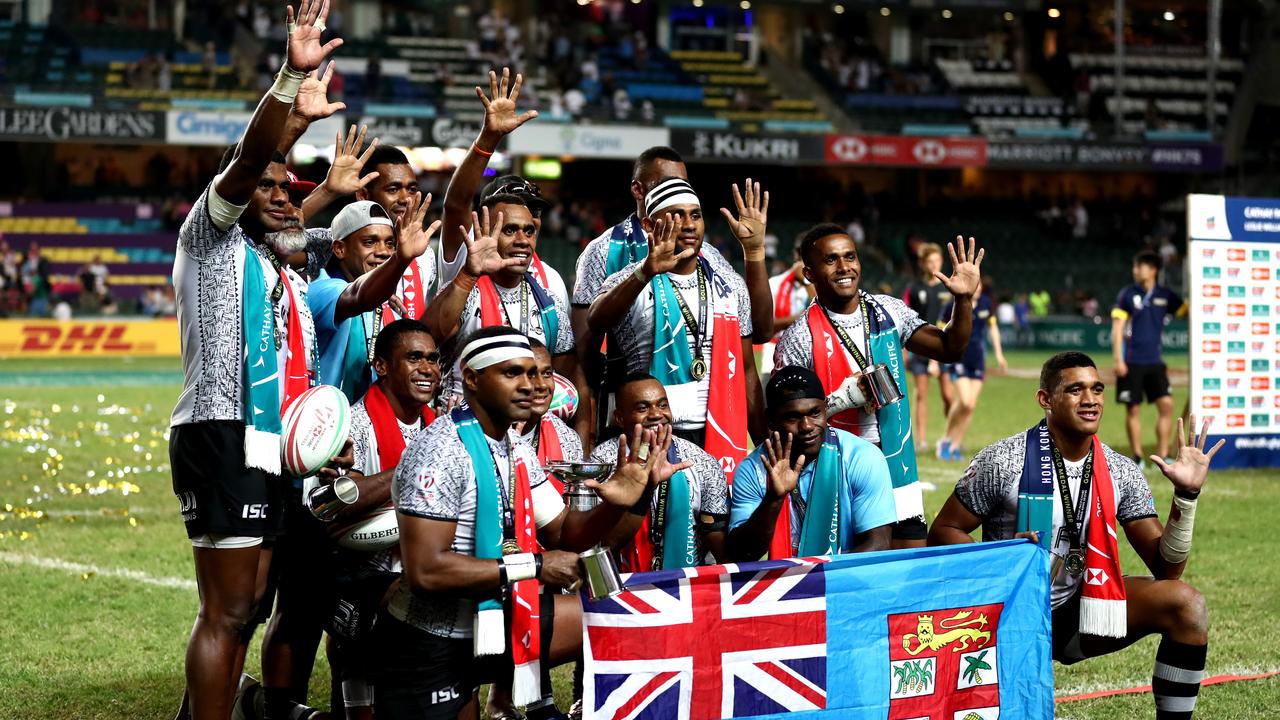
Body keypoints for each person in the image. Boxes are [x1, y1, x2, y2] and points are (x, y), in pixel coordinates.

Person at [166, 4, 345, 719]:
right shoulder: (208, 240)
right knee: (231, 610)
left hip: (266, 443)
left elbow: (328, 234)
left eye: (289, 188)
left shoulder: (275, 267)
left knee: (254, 602)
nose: (282, 196)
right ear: (235, 195)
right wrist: (287, 82)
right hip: (221, 430)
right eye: (268, 187)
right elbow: (245, 164)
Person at [373, 327, 684, 720]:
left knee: (627, 614)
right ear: (471, 378)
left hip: (493, 621)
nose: (532, 386)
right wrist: (536, 566)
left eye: (537, 373)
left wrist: (624, 498)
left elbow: (563, 532)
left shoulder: (513, 445)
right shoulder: (439, 451)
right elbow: (426, 572)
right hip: (429, 639)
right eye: (512, 373)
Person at [929, 351, 1222, 720]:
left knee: (1187, 606)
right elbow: (942, 530)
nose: (1091, 400)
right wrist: (1005, 561)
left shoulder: (1120, 470)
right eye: (1075, 390)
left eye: (1097, 389)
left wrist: (1187, 497)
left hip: (1081, 610)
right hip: (1007, 611)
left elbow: (1168, 569)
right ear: (1045, 399)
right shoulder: (1004, 460)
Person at [772, 225, 984, 548]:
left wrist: (964, 300)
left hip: (898, 466)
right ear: (809, 273)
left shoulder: (889, 311)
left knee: (909, 573)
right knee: (857, 575)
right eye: (831, 260)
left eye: (850, 257)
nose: (844, 267)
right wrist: (844, 398)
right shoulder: (799, 338)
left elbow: (949, 348)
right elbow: (785, 423)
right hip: (841, 474)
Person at [571, 147, 774, 439]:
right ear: (639, 191)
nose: (688, 223)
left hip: (711, 419)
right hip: (635, 413)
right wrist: (587, 433)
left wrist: (753, 252)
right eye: (665, 184)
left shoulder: (712, 263)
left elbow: (758, 333)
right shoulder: (605, 251)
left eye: (695, 214)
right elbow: (585, 349)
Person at [329, 319, 441, 720]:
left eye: (433, 359)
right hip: (362, 572)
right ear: (381, 366)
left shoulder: (442, 426)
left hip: (424, 566)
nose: (427, 368)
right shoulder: (352, 427)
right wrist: (411, 468)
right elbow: (335, 512)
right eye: (414, 358)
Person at [727, 366, 896, 561]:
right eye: (793, 417)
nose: (807, 426)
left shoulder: (862, 457)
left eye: (815, 413)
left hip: (843, 583)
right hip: (783, 585)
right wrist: (773, 499)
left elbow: (879, 544)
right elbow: (743, 553)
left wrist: (814, 580)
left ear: (826, 408)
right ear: (770, 420)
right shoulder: (752, 470)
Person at [588, 373, 730, 569]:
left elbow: (722, 551)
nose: (656, 414)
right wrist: (645, 489)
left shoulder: (701, 462)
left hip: (685, 582)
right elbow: (603, 546)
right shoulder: (602, 463)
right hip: (622, 581)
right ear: (620, 418)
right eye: (643, 408)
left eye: (663, 405)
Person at [308, 195, 440, 402]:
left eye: (390, 244)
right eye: (369, 242)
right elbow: (358, 297)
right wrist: (400, 259)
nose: (383, 252)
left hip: (373, 424)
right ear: (339, 248)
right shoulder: (321, 291)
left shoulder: (387, 304)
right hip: (326, 424)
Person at [1112, 250, 1186, 465]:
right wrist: (1119, 359)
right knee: (1133, 409)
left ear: (1152, 270)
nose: (1135, 271)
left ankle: (1162, 456)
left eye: (1139, 267)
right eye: (1135, 267)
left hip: (1155, 361)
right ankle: (1136, 457)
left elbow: (1187, 310)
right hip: (1131, 362)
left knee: (1167, 406)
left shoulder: (1166, 295)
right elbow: (1117, 329)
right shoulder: (1127, 294)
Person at [938, 278, 1007, 461]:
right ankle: (945, 439)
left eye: (980, 285)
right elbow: (940, 330)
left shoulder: (986, 304)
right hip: (959, 357)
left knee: (970, 407)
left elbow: (993, 329)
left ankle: (954, 445)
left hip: (977, 359)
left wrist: (999, 354)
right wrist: (938, 357)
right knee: (966, 402)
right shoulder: (953, 304)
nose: (978, 289)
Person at [901, 242, 955, 455]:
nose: (934, 264)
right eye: (929, 261)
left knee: (948, 397)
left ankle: (949, 438)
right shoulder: (913, 289)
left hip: (943, 349)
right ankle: (921, 440)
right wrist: (904, 351)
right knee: (921, 394)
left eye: (937, 260)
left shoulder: (948, 288)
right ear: (922, 263)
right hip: (920, 349)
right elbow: (904, 321)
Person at [520, 339, 584, 474]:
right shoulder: (476, 437)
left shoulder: (566, 439)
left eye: (547, 373)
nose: (542, 385)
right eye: (530, 374)